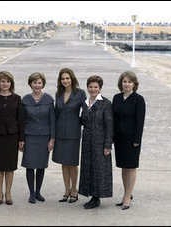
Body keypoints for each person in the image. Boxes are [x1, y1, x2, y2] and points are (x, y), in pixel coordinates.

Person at [0, 71, 24, 205]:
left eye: (7, 81)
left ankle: (8, 193)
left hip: (12, 136)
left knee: (10, 167)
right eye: (2, 81)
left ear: (11, 83)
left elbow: (21, 120)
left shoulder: (17, 98)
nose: (5, 84)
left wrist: (21, 139)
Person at [79, 75, 113, 209]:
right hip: (87, 139)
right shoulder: (85, 102)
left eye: (95, 87)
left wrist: (108, 145)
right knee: (88, 168)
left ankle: (96, 198)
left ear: (100, 88)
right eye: (90, 87)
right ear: (87, 87)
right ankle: (90, 195)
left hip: (100, 141)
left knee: (98, 170)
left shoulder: (106, 103)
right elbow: (82, 120)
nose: (93, 89)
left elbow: (109, 125)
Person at [112, 71, 146, 210]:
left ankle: (127, 197)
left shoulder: (138, 99)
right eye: (124, 81)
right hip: (119, 138)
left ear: (134, 84)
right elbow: (113, 119)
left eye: (129, 82)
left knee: (131, 167)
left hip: (132, 139)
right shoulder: (117, 98)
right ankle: (128, 193)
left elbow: (140, 121)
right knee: (123, 168)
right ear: (121, 83)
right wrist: (112, 137)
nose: (126, 84)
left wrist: (137, 139)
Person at [52, 68, 86, 203]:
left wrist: (81, 122)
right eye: (62, 79)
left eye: (67, 78)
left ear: (72, 79)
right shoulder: (58, 94)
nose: (65, 81)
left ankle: (74, 190)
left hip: (73, 132)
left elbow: (87, 110)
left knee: (72, 163)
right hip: (60, 132)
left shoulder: (80, 93)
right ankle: (66, 189)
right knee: (63, 163)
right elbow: (56, 113)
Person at [21, 72, 55, 204]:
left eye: (39, 83)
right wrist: (21, 139)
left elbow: (52, 121)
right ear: (30, 84)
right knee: (30, 166)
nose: (37, 85)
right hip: (29, 137)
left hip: (44, 138)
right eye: (34, 82)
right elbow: (21, 121)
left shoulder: (49, 100)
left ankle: (38, 192)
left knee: (41, 166)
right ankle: (31, 193)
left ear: (43, 84)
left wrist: (52, 139)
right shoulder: (25, 100)